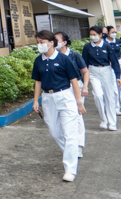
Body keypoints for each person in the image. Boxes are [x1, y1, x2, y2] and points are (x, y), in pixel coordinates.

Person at [32, 30, 86, 182]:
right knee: (55, 132)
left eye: (42, 42)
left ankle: (70, 169)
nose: (39, 45)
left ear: (51, 43)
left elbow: (74, 81)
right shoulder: (38, 60)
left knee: (70, 134)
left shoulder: (63, 59)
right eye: (38, 42)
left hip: (65, 96)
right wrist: (36, 101)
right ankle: (72, 152)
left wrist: (79, 102)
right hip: (48, 98)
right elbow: (37, 81)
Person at [54, 32, 89, 158]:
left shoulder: (74, 55)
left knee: (77, 115)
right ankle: (68, 145)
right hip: (61, 89)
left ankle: (78, 146)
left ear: (64, 42)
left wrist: (85, 86)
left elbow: (85, 71)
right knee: (64, 118)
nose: (52, 42)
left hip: (76, 86)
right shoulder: (52, 56)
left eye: (56, 39)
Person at [82, 26, 121, 131]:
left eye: (94, 34)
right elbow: (84, 63)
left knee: (109, 97)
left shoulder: (107, 46)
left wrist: (118, 76)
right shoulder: (87, 47)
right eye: (91, 35)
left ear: (100, 35)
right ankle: (104, 119)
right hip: (93, 71)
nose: (92, 37)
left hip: (106, 71)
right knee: (98, 95)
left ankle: (112, 123)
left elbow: (114, 61)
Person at [105, 26, 121, 113]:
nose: (114, 33)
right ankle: (115, 105)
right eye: (112, 32)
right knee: (114, 84)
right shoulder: (104, 42)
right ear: (107, 33)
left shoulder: (118, 40)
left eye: (115, 32)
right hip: (110, 64)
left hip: (119, 62)